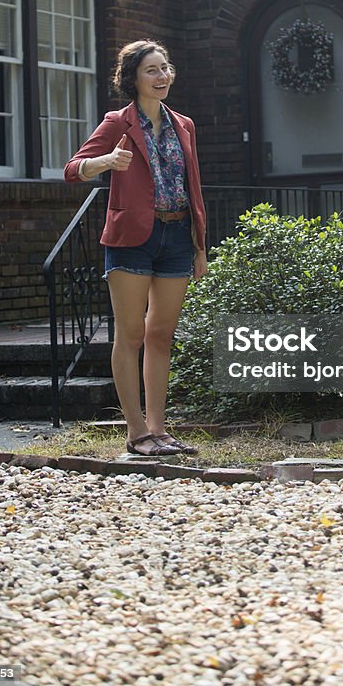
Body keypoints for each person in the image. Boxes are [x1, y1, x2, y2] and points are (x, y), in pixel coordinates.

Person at [64, 39, 208, 457]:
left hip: (178, 236)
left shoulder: (184, 124)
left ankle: (160, 431)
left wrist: (200, 245)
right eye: (152, 70)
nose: (162, 76)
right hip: (131, 239)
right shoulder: (117, 122)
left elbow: (192, 187)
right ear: (133, 78)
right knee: (130, 334)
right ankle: (136, 431)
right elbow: (73, 170)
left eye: (165, 68)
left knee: (160, 334)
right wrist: (106, 162)